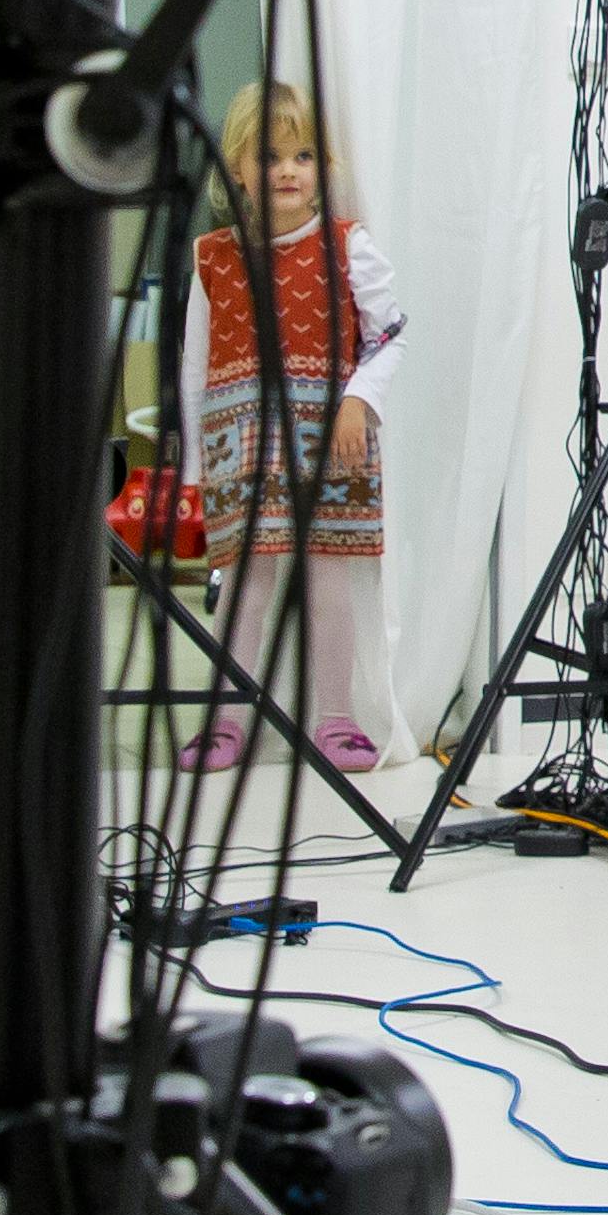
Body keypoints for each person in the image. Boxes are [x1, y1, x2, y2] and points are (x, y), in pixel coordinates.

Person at [185, 81, 404, 777]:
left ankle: (334, 718)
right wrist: (195, 472)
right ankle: (225, 719)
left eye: (303, 155)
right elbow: (196, 366)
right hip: (238, 446)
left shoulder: (348, 246)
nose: (287, 169)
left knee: (325, 577)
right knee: (244, 579)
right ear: (240, 169)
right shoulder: (213, 258)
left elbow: (392, 335)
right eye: (271, 155)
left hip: (326, 441)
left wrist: (357, 401)